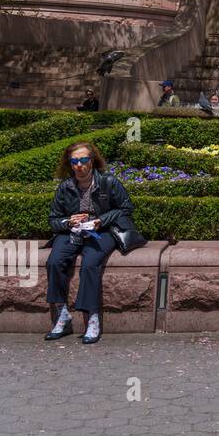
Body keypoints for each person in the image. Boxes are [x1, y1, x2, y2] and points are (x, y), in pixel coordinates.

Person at [45, 140, 134, 344]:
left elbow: (126, 208)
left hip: (102, 232)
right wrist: (68, 221)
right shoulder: (65, 187)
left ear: (92, 161)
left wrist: (100, 221)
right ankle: (62, 314)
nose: (79, 165)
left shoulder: (109, 182)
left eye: (83, 159)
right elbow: (53, 219)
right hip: (73, 232)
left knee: (90, 264)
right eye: (74, 160)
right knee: (54, 261)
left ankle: (92, 318)